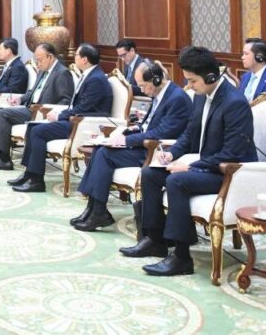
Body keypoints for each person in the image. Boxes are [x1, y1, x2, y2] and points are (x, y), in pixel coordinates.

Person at [121, 46, 256, 277]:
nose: (189, 86)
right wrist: (172, 154)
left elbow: (232, 153)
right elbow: (189, 134)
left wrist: (191, 166)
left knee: (177, 181)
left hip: (228, 173)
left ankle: (181, 257)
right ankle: (154, 239)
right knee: (150, 174)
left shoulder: (235, 103)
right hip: (207, 165)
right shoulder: (201, 96)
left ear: (210, 77)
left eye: (193, 81)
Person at [72, 61, 192, 231]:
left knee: (104, 154)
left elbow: (163, 132)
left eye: (142, 85)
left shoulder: (177, 98)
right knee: (99, 150)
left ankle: (98, 211)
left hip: (156, 151)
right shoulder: (160, 94)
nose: (141, 90)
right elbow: (150, 125)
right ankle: (93, 208)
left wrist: (126, 141)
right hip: (145, 145)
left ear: (156, 81)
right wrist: (134, 129)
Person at [10, 43, 113, 192]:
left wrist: (60, 115)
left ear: (84, 59)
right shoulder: (89, 75)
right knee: (33, 127)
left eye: (76, 55)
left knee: (38, 131)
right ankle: (29, 174)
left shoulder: (96, 79)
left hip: (84, 124)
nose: (74, 57)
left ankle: (37, 180)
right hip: (76, 119)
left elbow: (84, 108)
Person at [0, 43, 74, 170]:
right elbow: (32, 91)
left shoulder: (62, 73)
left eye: (40, 60)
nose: (38, 64)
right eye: (36, 60)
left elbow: (66, 100)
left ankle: (3, 159)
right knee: (0, 111)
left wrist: (50, 111)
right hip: (29, 107)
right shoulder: (43, 70)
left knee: (3, 113)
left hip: (41, 112)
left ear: (50, 57)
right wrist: (20, 99)